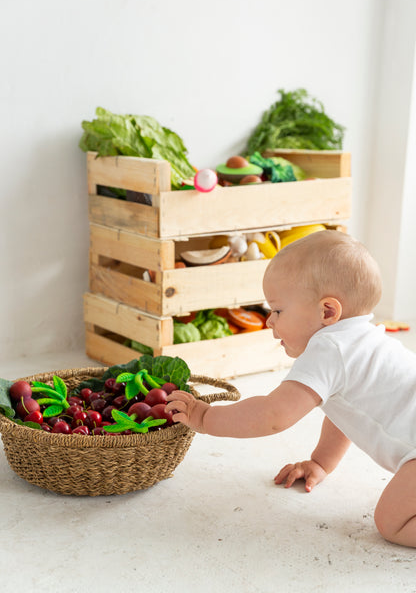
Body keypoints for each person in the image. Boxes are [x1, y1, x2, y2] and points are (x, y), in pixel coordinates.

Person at [166, 230, 416, 548]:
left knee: (392, 521)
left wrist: (204, 417)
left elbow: (273, 415)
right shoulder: (361, 341)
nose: (269, 321)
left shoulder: (329, 348)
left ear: (327, 312)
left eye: (278, 311)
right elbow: (347, 413)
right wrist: (321, 462)